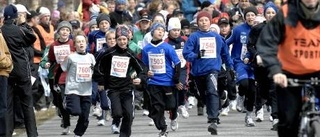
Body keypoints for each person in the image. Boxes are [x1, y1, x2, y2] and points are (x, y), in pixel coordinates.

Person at [256, 0, 320, 136]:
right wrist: (275, 70)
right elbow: (267, 43)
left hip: (317, 71)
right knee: (288, 121)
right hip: (288, 73)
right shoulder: (285, 14)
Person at [182, 11, 234, 135]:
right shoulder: (194, 37)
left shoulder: (217, 37)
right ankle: (214, 110)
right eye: (201, 20)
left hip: (213, 70)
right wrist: (196, 55)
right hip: (198, 72)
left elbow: (225, 54)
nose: (204, 22)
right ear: (198, 23)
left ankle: (213, 120)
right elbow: (186, 54)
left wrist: (230, 68)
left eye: (206, 20)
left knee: (212, 91)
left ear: (210, 22)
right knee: (202, 96)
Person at [94, 24, 146, 137]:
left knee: (129, 115)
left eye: (124, 39)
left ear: (128, 39)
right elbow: (97, 67)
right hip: (112, 88)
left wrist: (140, 78)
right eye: (120, 39)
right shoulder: (108, 53)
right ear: (116, 40)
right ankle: (114, 119)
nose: (122, 42)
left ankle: (124, 135)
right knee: (117, 113)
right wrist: (101, 82)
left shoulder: (130, 54)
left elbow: (142, 68)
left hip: (127, 88)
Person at [1, 4, 38, 137]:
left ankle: (7, 133)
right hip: (22, 70)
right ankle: (32, 134)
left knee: (8, 105)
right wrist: (24, 24)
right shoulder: (19, 30)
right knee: (27, 104)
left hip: (7, 71)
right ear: (16, 17)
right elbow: (32, 38)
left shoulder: (1, 31)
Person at [142, 22, 182, 137]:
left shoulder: (167, 47)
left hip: (168, 82)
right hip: (153, 82)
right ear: (152, 32)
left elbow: (177, 63)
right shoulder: (146, 49)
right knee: (157, 107)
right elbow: (144, 65)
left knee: (171, 105)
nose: (160, 32)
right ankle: (163, 128)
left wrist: (176, 80)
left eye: (162, 30)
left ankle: (173, 116)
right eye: (158, 29)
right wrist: (146, 72)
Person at [247, 1, 279, 129]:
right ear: (264, 14)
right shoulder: (257, 28)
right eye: (268, 13)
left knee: (274, 89)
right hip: (260, 65)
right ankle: (267, 103)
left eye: (273, 13)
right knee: (264, 91)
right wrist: (256, 55)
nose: (270, 15)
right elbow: (250, 45)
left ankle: (276, 118)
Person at [61, 31, 96, 137]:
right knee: (76, 111)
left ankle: (78, 134)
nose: (81, 44)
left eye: (83, 41)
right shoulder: (71, 57)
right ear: (75, 45)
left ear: (86, 44)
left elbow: (95, 71)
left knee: (85, 117)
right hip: (73, 89)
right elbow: (62, 69)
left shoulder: (91, 57)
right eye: (78, 42)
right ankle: (66, 103)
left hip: (86, 90)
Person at [0, 28, 13, 137]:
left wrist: (9, 63)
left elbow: (6, 53)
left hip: (3, 73)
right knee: (2, 106)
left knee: (3, 106)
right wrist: (7, 63)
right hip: (2, 72)